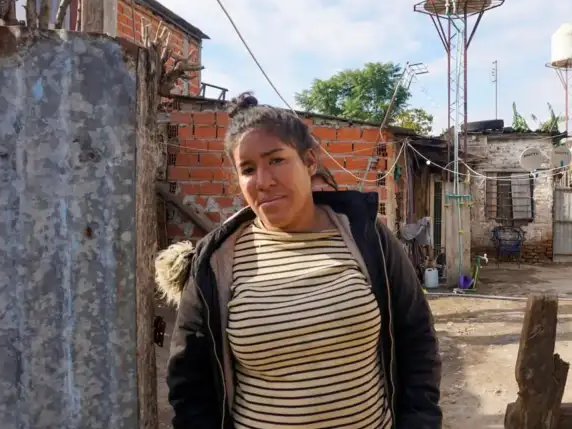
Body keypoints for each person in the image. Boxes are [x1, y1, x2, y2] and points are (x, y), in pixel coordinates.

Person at [155, 92, 442, 429]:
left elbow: (416, 339)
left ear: (309, 162)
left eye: (276, 160)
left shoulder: (366, 238)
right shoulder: (216, 264)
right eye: (247, 169)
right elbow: (190, 385)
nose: (263, 181)